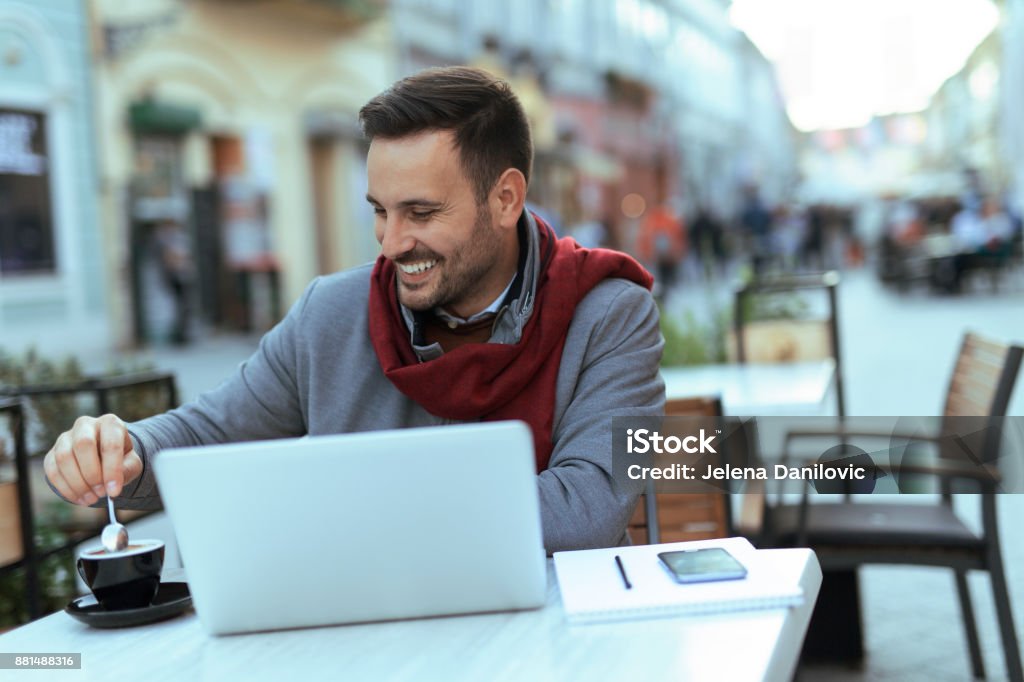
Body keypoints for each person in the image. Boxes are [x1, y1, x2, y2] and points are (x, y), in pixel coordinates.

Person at [42, 67, 665, 553]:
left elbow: (586, 507)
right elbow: (206, 435)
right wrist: (123, 449)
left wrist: (347, 504)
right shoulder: (330, 314)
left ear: (505, 199)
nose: (391, 243)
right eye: (379, 210)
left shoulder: (607, 313)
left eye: (420, 213)